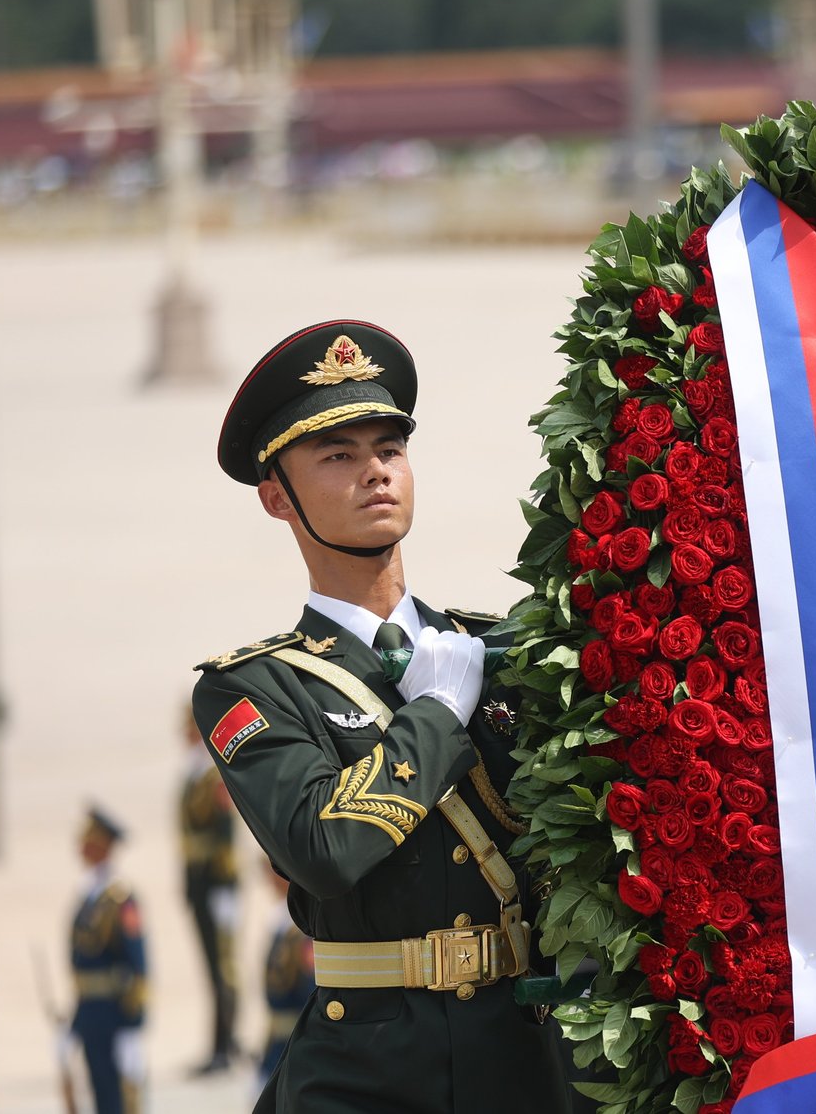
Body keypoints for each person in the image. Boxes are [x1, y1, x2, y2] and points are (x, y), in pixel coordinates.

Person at [190, 319, 570, 1112]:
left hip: (522, 1060)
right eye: (339, 456)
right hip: (366, 1072)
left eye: (389, 450)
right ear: (275, 497)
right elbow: (326, 847)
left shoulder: (502, 648)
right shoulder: (254, 689)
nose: (375, 473)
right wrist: (434, 714)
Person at [69, 806, 147, 1114]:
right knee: (100, 1093)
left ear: (102, 846)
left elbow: (137, 965)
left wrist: (133, 1024)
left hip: (114, 1014)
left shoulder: (120, 899)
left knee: (120, 1099)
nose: (81, 846)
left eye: (88, 841)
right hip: (91, 1012)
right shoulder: (89, 894)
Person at [179, 703, 240, 1074]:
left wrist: (225, 887)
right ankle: (221, 1041)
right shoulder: (192, 774)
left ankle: (225, 1044)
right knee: (211, 965)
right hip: (200, 884)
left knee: (224, 967)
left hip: (217, 884)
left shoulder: (212, 778)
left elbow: (225, 835)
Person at [257, 859, 313, 1091]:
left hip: (295, 1042)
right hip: (277, 1042)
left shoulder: (300, 930)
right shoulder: (280, 922)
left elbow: (309, 989)